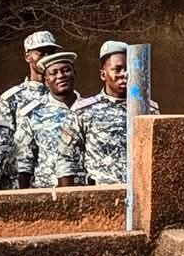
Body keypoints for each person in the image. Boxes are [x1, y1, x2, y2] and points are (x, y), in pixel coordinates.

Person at [56, 41, 149, 187]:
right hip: (100, 196)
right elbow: (66, 160)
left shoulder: (148, 109)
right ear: (103, 74)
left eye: (128, 69)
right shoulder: (83, 111)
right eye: (117, 69)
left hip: (139, 192)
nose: (124, 74)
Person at [14, 50, 82, 188]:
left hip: (89, 191)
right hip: (46, 191)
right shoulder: (32, 113)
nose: (61, 76)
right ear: (46, 80)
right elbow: (23, 163)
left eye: (66, 70)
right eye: (53, 73)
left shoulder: (90, 110)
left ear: (75, 74)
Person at [0, 31, 63, 132]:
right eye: (41, 53)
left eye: (51, 53)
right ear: (27, 57)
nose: (47, 58)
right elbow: (1, 139)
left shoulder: (64, 93)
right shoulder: (12, 98)